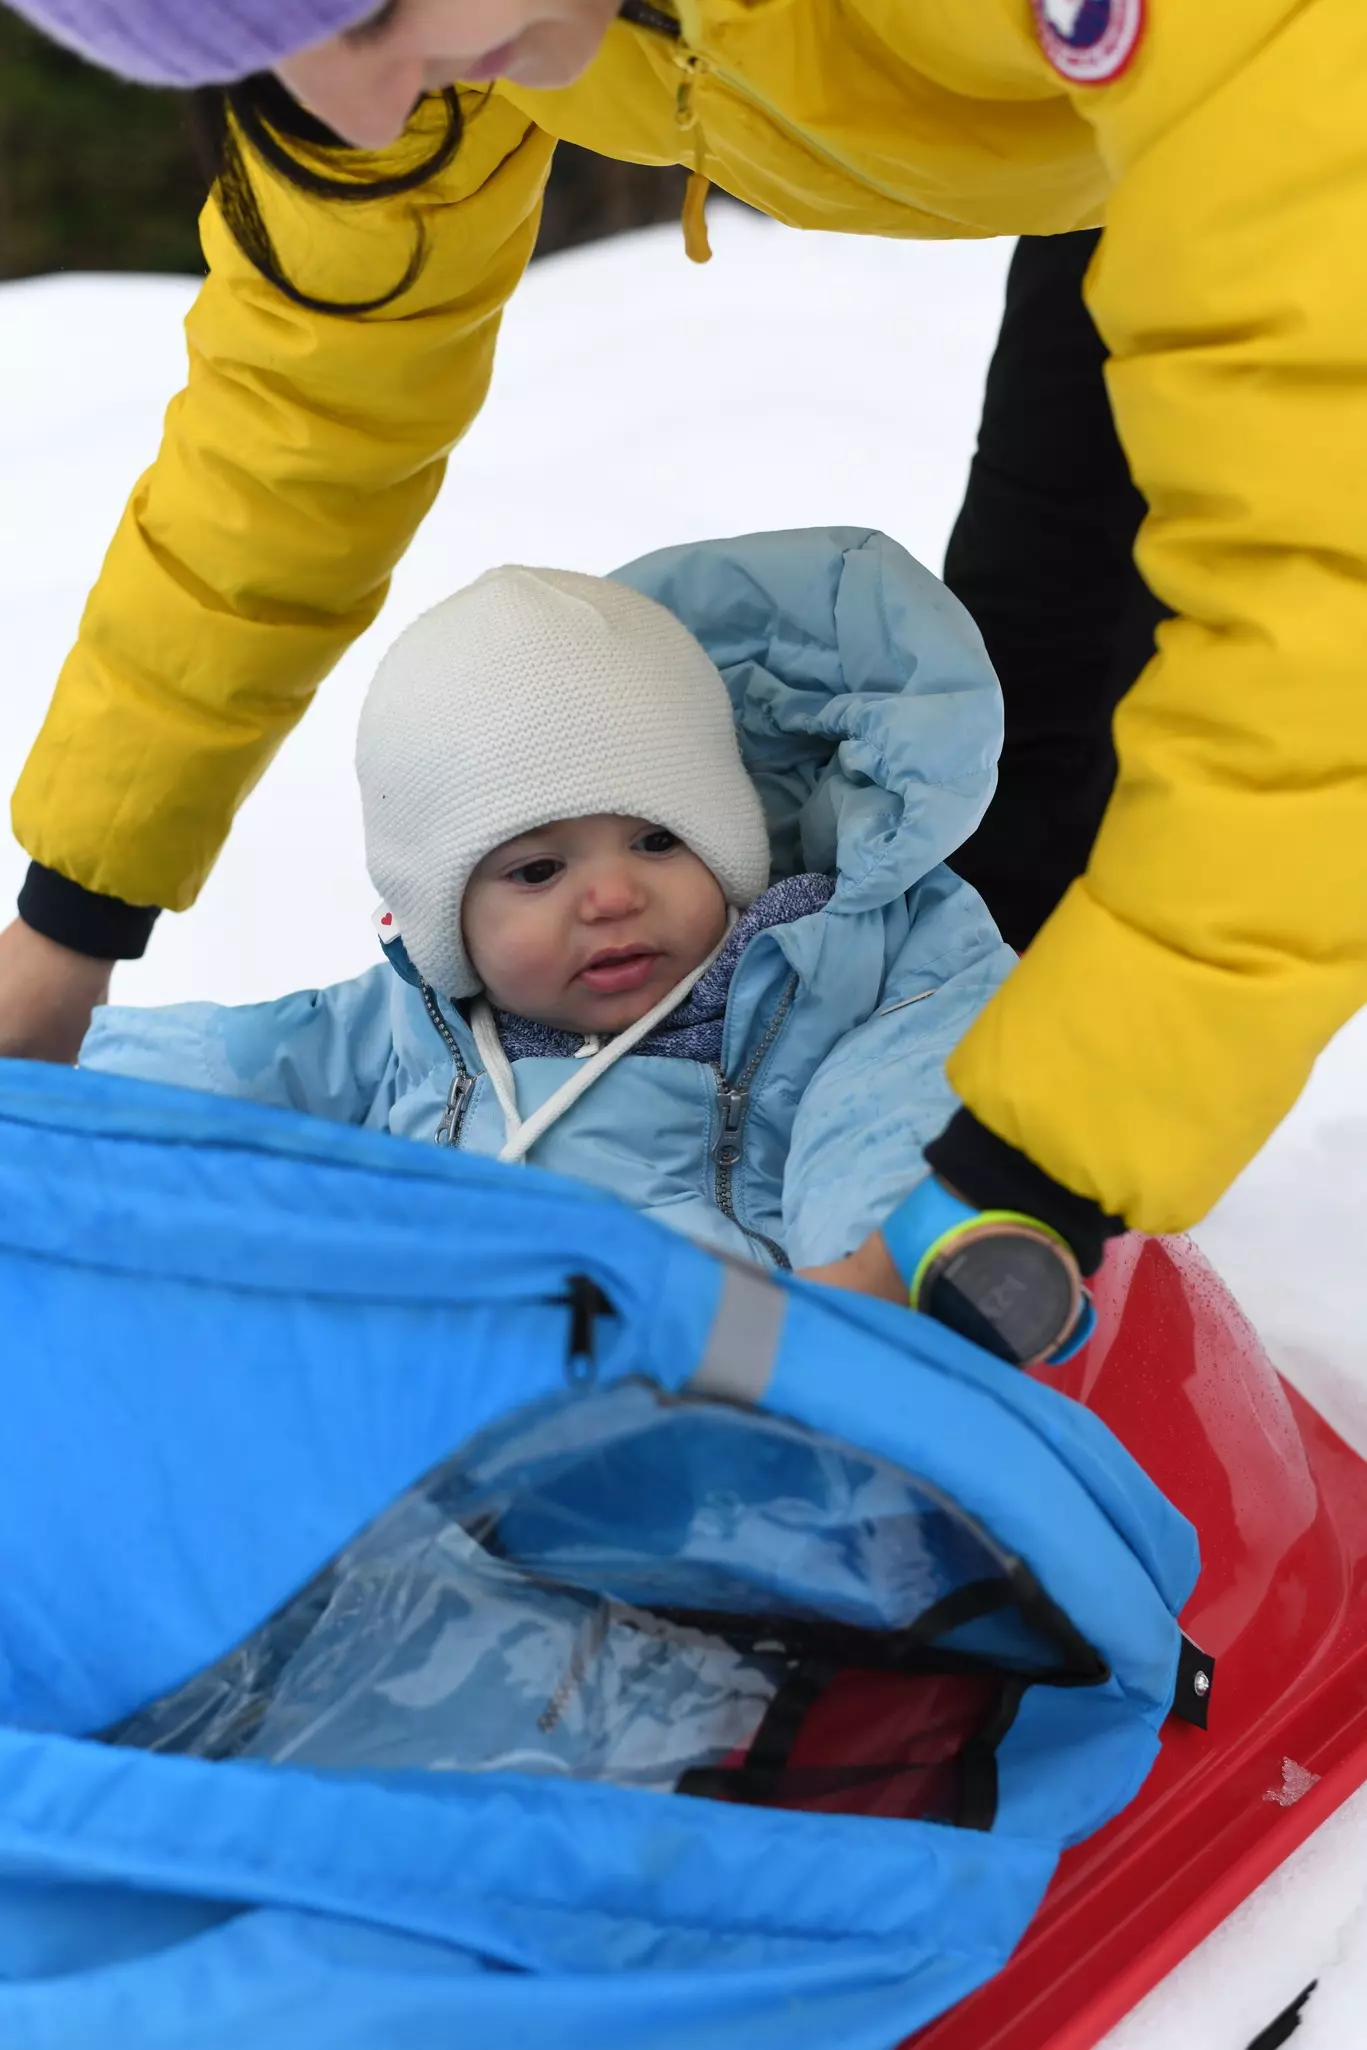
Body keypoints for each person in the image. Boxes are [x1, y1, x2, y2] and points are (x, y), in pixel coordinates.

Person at [3, 0, 1365, 1349]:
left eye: (364, 13)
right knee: (1044, 635)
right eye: (259, 58)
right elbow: (296, 423)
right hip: (1173, 137)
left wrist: (1013, 1181)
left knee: (1100, 637)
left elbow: (1318, 629)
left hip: (1291, 132)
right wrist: (69, 922)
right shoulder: (381, 51)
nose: (355, 107)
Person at [81, 528, 1019, 1292]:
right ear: (447, 918)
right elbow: (230, 1072)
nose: (612, 896)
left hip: (727, 1398)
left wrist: (858, 1280)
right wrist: (53, 1087)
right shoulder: (413, 1022)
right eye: (536, 871)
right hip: (424, 1409)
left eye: (659, 841)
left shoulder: (826, 975)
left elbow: (893, 1108)